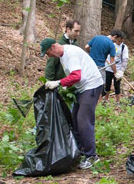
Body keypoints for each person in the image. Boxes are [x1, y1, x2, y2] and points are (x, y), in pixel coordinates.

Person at [40, 37, 104, 169]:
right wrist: (65, 86)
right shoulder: (63, 55)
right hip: (82, 88)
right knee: (74, 119)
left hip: (91, 86)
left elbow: (77, 76)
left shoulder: (71, 54)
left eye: (47, 53)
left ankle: (91, 156)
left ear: (53, 47)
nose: (49, 56)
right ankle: (79, 151)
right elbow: (74, 77)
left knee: (83, 121)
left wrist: (58, 82)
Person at [104, 29, 129, 102]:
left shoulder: (124, 47)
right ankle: (105, 100)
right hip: (108, 68)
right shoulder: (111, 44)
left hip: (118, 70)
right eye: (118, 40)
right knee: (107, 84)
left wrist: (121, 71)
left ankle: (117, 101)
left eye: (121, 41)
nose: (118, 42)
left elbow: (125, 60)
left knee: (117, 85)